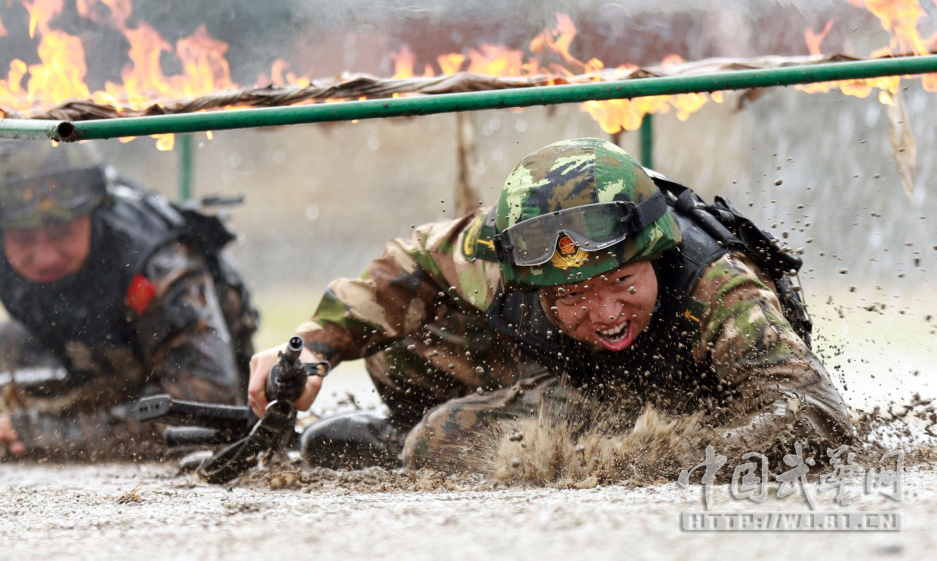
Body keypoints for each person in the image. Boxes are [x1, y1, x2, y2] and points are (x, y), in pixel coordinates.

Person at [247, 137, 853, 471]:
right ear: (532, 282)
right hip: (571, 369)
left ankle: (409, 447)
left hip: (687, 398)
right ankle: (409, 435)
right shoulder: (506, 253)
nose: (607, 312)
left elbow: (817, 412)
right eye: (572, 295)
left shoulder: (718, 289)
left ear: (656, 255)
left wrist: (680, 457)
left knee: (440, 439)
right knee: (400, 343)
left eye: (623, 283)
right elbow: (410, 266)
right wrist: (313, 351)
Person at [0, 139, 258, 458]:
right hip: (83, 363)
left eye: (62, 233)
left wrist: (48, 433)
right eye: (24, 239)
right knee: (2, 346)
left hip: (171, 374)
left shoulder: (161, 265)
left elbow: (208, 409)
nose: (45, 257)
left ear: (92, 215)